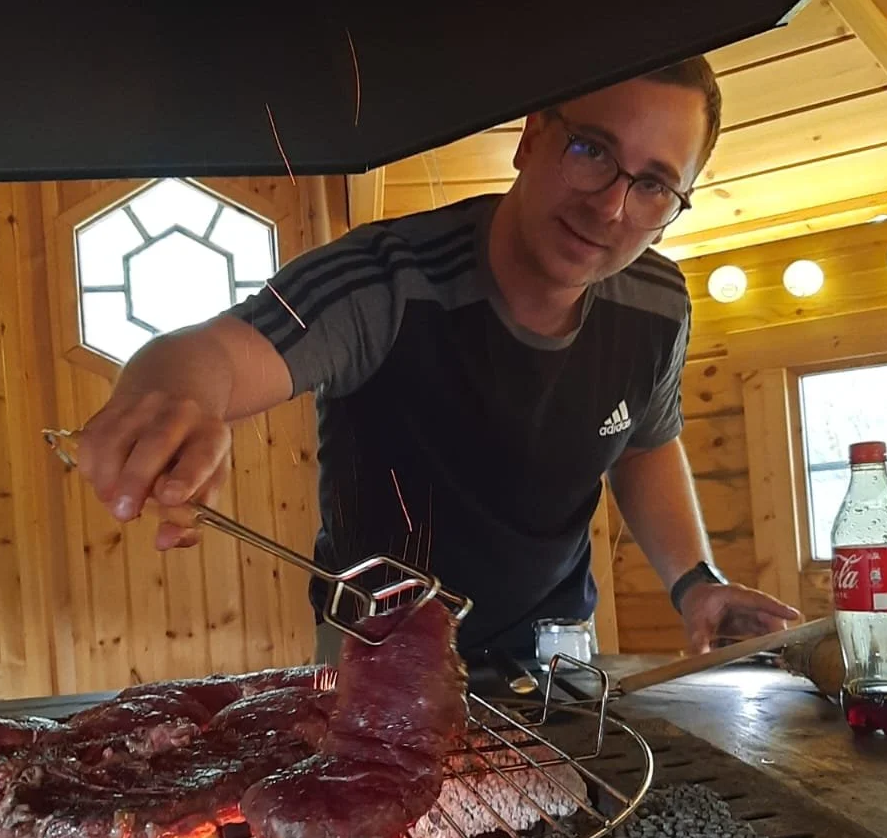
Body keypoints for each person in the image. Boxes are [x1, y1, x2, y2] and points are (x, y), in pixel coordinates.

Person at [76, 59, 799, 664]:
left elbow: (642, 441)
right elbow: (209, 355)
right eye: (592, 151)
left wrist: (695, 583)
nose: (611, 207)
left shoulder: (659, 304)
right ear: (531, 138)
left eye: (653, 186)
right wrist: (169, 398)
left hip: (557, 648)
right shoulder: (385, 278)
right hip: (375, 651)